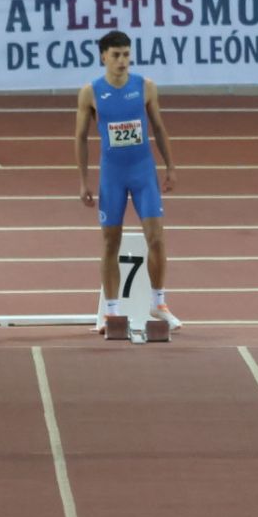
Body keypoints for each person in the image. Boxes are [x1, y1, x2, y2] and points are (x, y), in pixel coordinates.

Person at [75, 30, 180, 331]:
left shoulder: (145, 87)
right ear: (103, 56)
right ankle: (111, 310)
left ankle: (158, 303)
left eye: (126, 54)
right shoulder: (90, 92)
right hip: (112, 175)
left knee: (156, 238)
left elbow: (158, 128)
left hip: (143, 172)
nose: (123, 60)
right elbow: (80, 138)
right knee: (110, 242)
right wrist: (83, 180)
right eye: (116, 55)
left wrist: (171, 167)